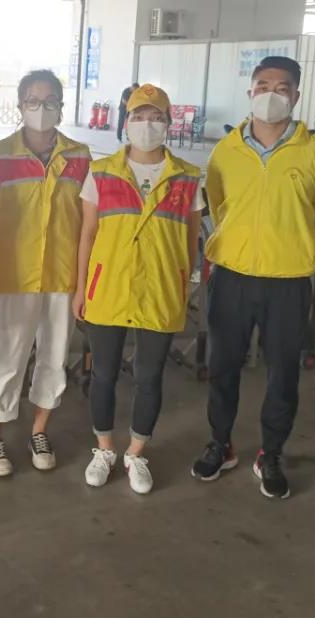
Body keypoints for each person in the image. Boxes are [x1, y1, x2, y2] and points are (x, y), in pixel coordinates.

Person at [191, 56, 315, 500]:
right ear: (250, 92)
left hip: (288, 282)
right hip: (232, 278)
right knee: (223, 367)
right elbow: (218, 205)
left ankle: (271, 453)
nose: (271, 95)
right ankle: (220, 444)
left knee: (283, 373)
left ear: (296, 95)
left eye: (281, 87)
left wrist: (299, 256)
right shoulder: (226, 151)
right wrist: (236, 247)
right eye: (262, 86)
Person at [73, 85, 203, 493]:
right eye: (139, 116)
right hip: (107, 289)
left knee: (149, 377)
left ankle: (136, 452)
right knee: (103, 374)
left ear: (169, 123)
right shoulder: (101, 171)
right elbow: (87, 233)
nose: (148, 125)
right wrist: (81, 288)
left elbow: (191, 239)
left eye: (157, 117)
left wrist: (183, 283)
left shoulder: (188, 177)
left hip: (161, 290)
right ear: (126, 122)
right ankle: (104, 449)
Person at [0, 69, 91, 476]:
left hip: (62, 272)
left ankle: (39, 431)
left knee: (55, 356)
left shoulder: (80, 157)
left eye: (50, 101)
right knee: (11, 356)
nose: (41, 108)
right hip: (14, 273)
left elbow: (88, 220)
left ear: (61, 105)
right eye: (33, 101)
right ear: (20, 105)